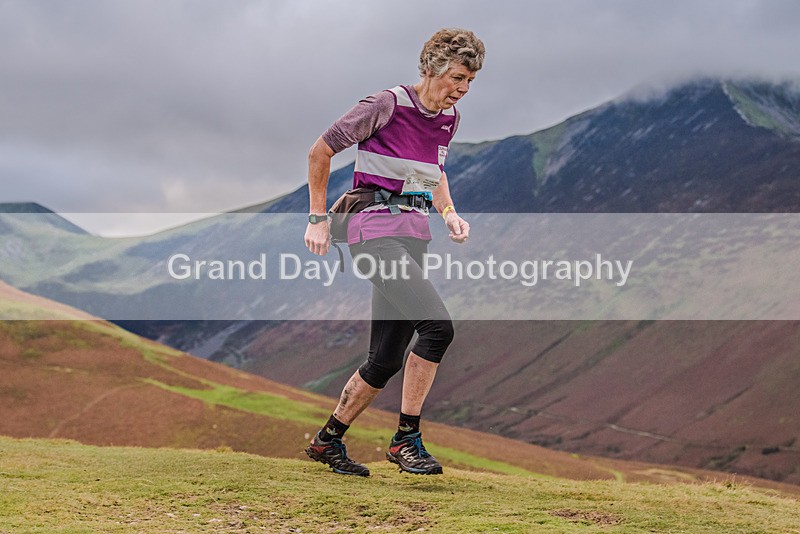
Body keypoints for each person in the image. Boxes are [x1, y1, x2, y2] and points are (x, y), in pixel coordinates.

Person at [303, 28, 485, 476]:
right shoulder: (385, 105)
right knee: (438, 328)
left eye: (470, 82)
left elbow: (431, 172)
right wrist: (317, 218)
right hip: (372, 232)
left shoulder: (448, 119)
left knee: (384, 358)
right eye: (458, 78)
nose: (462, 90)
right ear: (432, 68)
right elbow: (320, 150)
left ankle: (327, 442)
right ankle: (406, 439)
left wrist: (449, 213)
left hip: (413, 235)